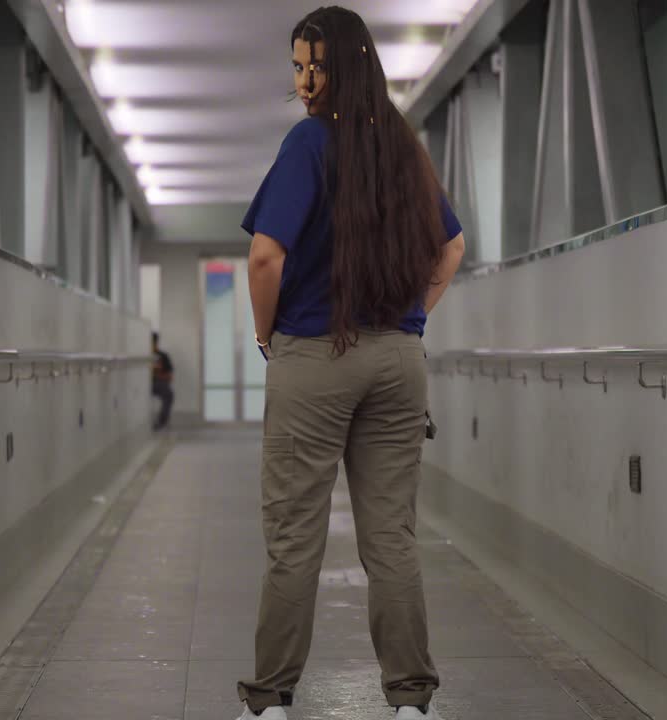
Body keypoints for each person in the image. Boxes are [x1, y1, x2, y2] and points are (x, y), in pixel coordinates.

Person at [235, 7, 466, 720]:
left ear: (349, 67)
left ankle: (271, 699)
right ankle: (409, 700)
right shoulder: (402, 147)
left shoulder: (309, 144)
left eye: (318, 66)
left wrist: (267, 335)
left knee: (294, 538)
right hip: (399, 362)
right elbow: (451, 247)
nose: (305, 81)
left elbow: (266, 254)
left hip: (317, 352)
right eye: (298, 66)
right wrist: (413, 315)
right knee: (391, 537)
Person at [151, 331, 174, 430]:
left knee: (169, 394)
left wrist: (157, 372)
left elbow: (169, 376)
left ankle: (161, 422)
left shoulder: (163, 356)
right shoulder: (143, 355)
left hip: (157, 383)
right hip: (142, 383)